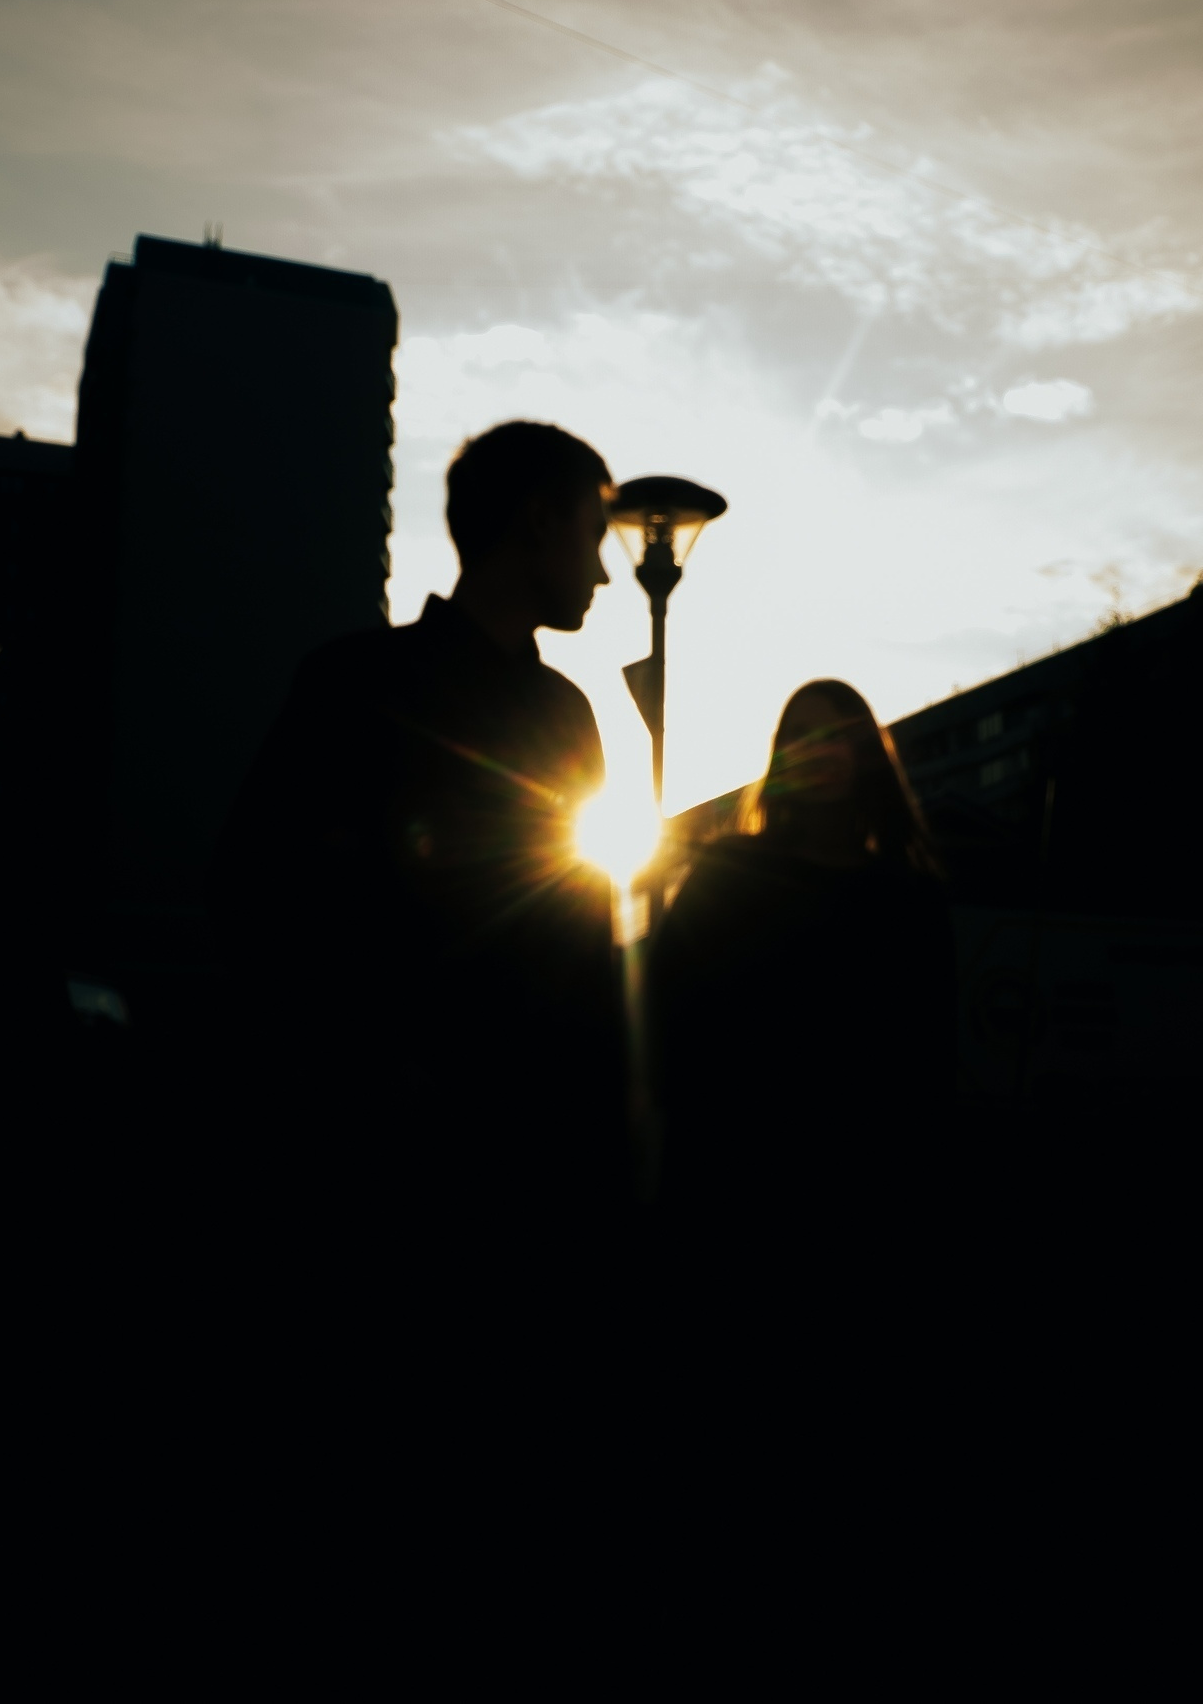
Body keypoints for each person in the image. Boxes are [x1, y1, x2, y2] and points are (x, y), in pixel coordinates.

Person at [217, 421, 628, 1280]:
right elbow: (267, 897)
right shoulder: (356, 686)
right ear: (538, 521)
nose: (602, 571)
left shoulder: (365, 680)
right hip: (381, 1158)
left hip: (501, 1153)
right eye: (595, 535)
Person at [648, 678, 955, 1326]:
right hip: (732, 1184)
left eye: (837, 735)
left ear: (865, 753)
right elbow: (666, 1012)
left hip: (861, 1194)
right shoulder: (729, 871)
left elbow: (928, 1062)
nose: (818, 750)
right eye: (801, 735)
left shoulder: (907, 900)